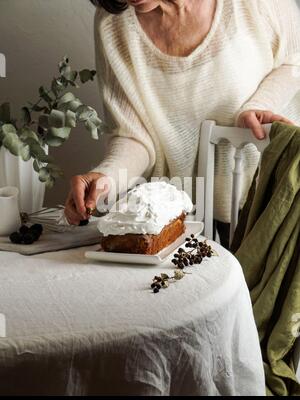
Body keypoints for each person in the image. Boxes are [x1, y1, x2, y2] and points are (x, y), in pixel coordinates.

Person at [64, 0, 300, 246]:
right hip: (194, 216)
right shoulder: (112, 24)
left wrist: (259, 105)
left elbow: (296, 59)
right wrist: (104, 178)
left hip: (282, 188)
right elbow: (134, 135)